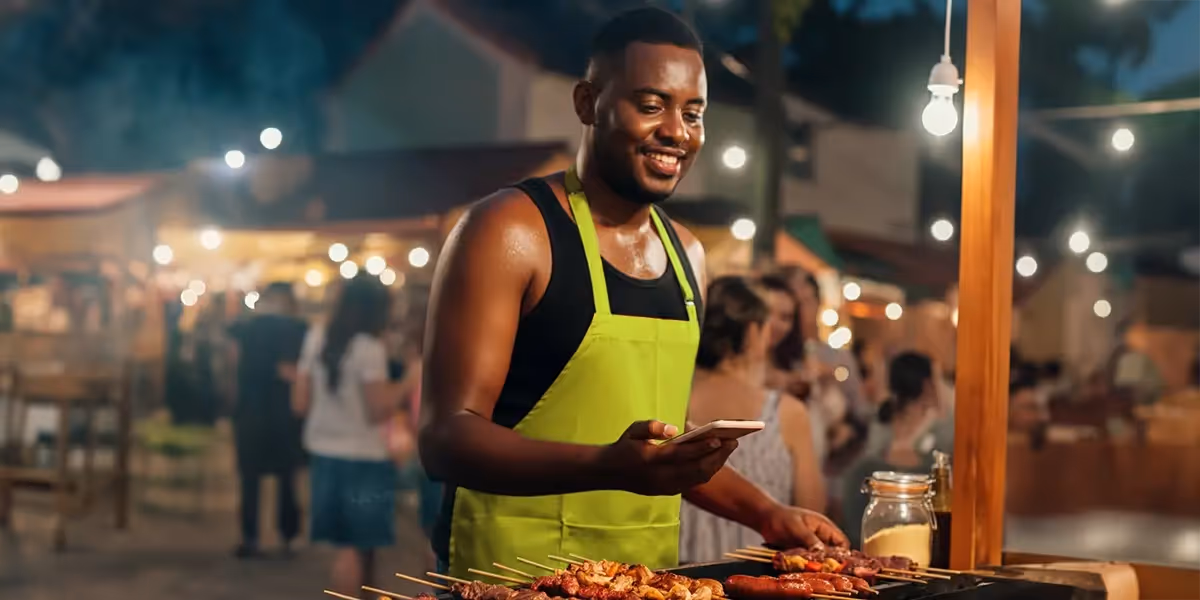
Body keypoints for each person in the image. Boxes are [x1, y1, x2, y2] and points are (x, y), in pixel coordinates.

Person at [420, 7, 846, 578]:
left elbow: (665, 453)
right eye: (651, 106)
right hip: (508, 577)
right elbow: (446, 438)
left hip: (641, 582)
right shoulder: (512, 231)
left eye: (692, 113)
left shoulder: (689, 255)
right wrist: (608, 466)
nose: (676, 131)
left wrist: (767, 513)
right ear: (586, 103)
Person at [680, 277, 826, 563]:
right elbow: (811, 511)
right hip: (758, 575)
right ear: (751, 333)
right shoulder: (785, 412)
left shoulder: (674, 399)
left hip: (681, 575)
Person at [292, 274, 412, 594]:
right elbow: (378, 409)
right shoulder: (369, 348)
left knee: (351, 548)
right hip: (365, 461)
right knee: (357, 549)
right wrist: (409, 380)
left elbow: (299, 402)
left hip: (324, 454)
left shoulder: (317, 337)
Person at [227, 282, 308, 558]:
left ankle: (251, 537)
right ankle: (288, 535)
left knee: (250, 479)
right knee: (288, 477)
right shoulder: (299, 330)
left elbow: (234, 365)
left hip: (251, 413)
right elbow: (297, 373)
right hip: (285, 414)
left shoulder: (246, 330)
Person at [840, 352, 950, 545]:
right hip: (880, 499)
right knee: (862, 471)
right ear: (925, 383)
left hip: (920, 504)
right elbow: (873, 457)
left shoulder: (939, 424)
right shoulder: (884, 417)